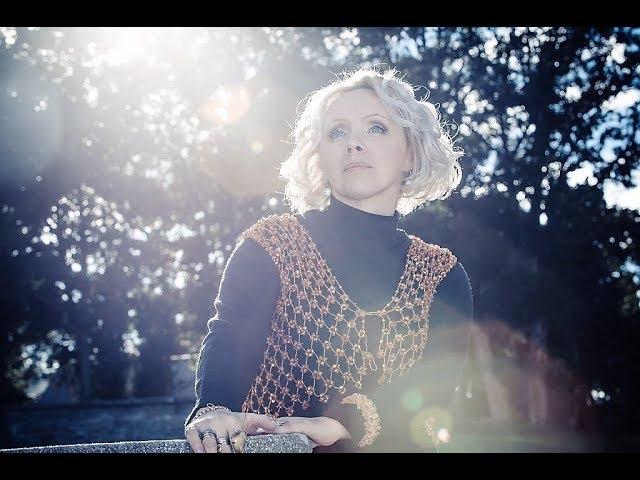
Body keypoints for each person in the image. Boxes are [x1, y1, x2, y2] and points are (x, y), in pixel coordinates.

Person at [184, 66, 474, 453]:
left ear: (410, 153)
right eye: (337, 132)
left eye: (376, 128)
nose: (354, 143)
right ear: (320, 156)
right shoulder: (271, 244)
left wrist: (341, 424)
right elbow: (230, 335)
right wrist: (213, 410)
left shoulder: (443, 275)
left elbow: (435, 389)